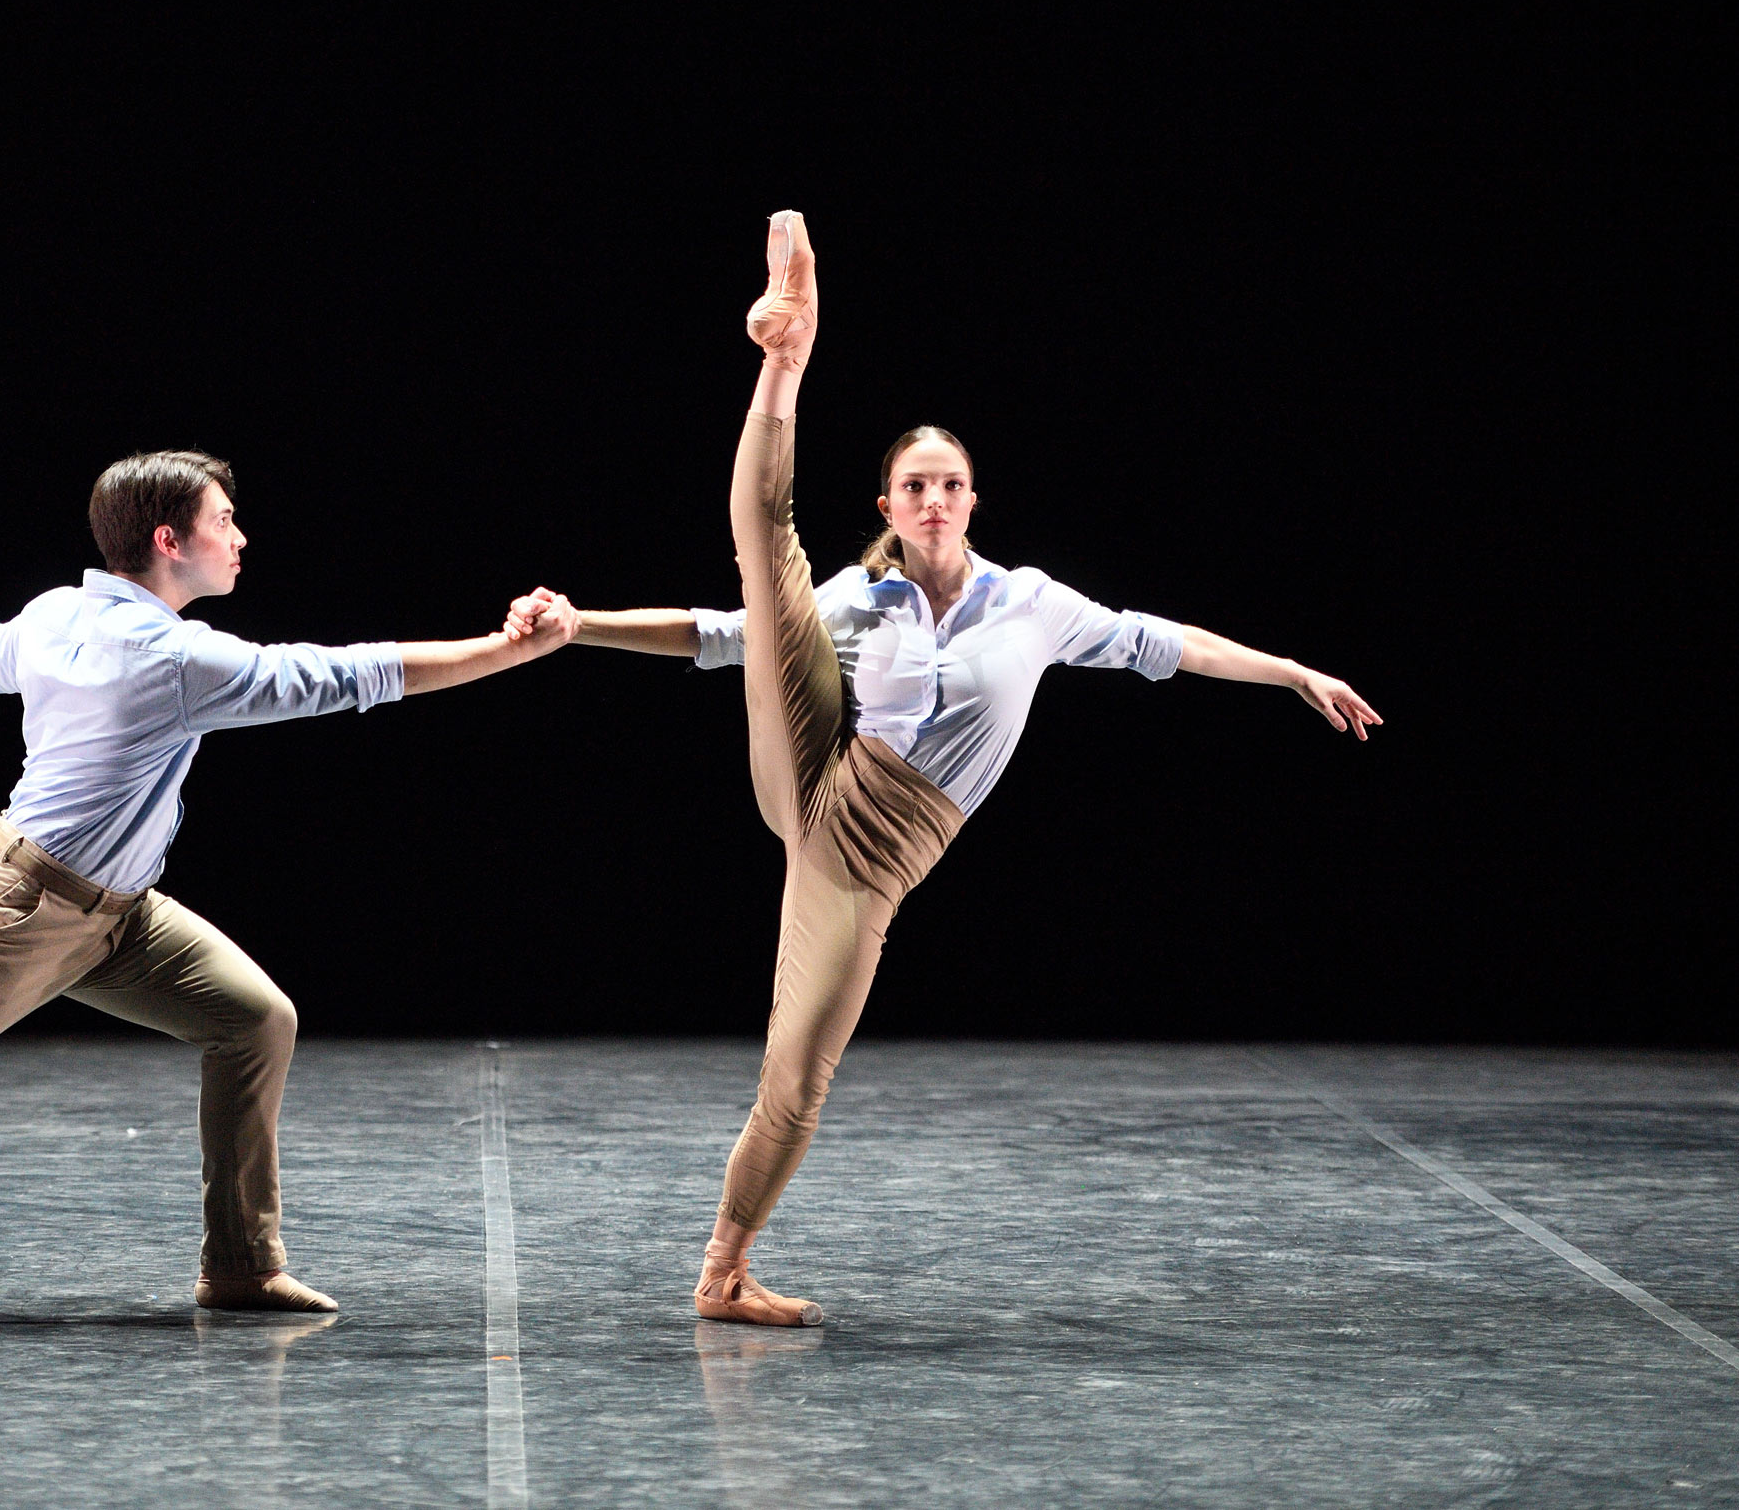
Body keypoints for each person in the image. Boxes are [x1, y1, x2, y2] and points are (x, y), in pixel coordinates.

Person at [506, 212, 1379, 1327]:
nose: (930, 499)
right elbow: (719, 631)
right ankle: (785, 364)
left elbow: (1170, 643)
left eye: (948, 485)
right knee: (765, 552)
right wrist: (578, 625)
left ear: (972, 500)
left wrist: (1291, 668)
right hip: (820, 770)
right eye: (911, 486)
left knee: (799, 1083)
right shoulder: (859, 598)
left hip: (871, 860)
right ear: (887, 506)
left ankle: (721, 1273)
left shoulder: (1035, 603)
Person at [0, 448, 581, 1330]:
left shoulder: (57, 612)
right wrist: (507, 650)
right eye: (223, 519)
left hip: (118, 917)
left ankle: (240, 1264)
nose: (240, 534)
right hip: (13, 914)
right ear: (169, 541)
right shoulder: (172, 659)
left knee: (254, 1018)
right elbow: (343, 676)